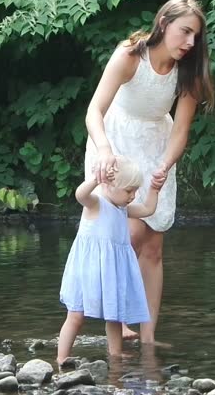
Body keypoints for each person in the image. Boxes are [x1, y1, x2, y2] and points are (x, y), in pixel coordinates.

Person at [85, 0, 215, 344]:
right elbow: (94, 111)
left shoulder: (188, 71)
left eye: (195, 37)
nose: (190, 42)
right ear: (163, 23)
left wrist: (165, 164)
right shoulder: (130, 55)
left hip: (157, 147)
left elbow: (181, 130)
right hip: (115, 143)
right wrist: (104, 150)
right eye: (184, 32)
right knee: (125, 237)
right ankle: (119, 322)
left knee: (153, 246)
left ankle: (147, 337)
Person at [57, 156, 159, 364]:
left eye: (135, 191)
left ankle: (115, 353)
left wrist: (155, 189)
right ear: (109, 185)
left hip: (111, 270)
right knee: (76, 315)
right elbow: (80, 195)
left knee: (115, 315)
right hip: (88, 269)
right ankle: (61, 357)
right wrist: (96, 179)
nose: (133, 196)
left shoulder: (122, 209)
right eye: (129, 191)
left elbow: (148, 210)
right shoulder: (96, 203)